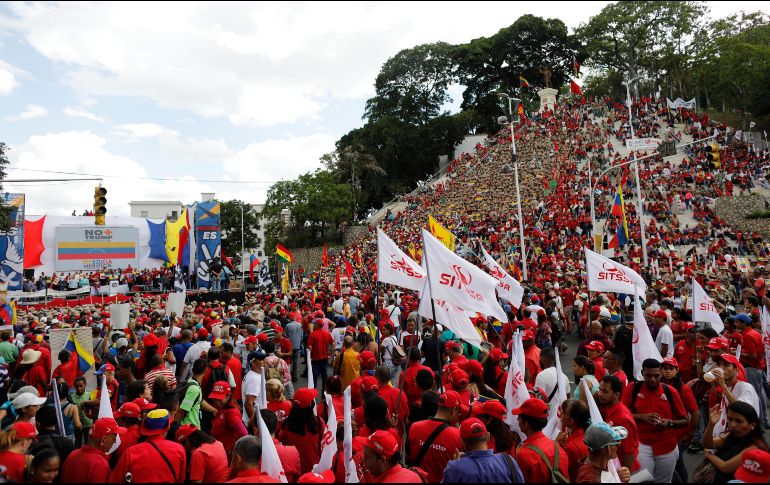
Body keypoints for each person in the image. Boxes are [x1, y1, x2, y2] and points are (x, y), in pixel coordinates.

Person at [622, 358, 688, 483]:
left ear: (661, 374)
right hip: (642, 444)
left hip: (667, 446)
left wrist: (669, 423)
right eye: (648, 375)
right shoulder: (632, 389)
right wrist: (641, 417)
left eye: (656, 376)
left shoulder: (670, 392)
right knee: (641, 480)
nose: (652, 379)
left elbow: (685, 420)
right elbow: (623, 414)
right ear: (642, 373)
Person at [110, 408, 187, 483]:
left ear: (146, 427)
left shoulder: (130, 452)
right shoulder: (179, 449)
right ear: (168, 427)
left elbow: (115, 479)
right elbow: (181, 479)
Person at [701, 401, 769, 482]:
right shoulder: (732, 435)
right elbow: (708, 444)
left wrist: (709, 455)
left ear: (752, 425)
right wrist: (711, 424)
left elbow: (725, 467)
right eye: (730, 419)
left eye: (738, 421)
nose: (732, 424)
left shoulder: (754, 447)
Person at [442, 417, 524, 483]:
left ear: (462, 442)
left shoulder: (454, 468)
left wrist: (456, 465)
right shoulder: (508, 461)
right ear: (488, 437)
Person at [406, 391, 464, 483]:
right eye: (459, 412)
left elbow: (408, 456)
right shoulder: (458, 435)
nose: (459, 415)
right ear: (453, 411)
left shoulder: (414, 427)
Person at [512, 397, 570, 483]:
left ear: (526, 423)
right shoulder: (558, 448)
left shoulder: (524, 455)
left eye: (519, 418)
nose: (517, 420)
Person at [59, 418, 127, 483]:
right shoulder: (101, 465)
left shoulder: (72, 455)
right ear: (103, 440)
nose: (114, 441)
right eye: (114, 438)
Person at [278, 387, 328, 475]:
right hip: (314, 470)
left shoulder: (286, 425)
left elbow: (281, 440)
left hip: (294, 469)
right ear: (311, 405)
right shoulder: (319, 423)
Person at [596, 375, 640, 472]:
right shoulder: (608, 408)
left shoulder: (622, 418)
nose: (600, 394)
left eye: (605, 391)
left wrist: (626, 476)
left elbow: (629, 452)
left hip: (621, 470)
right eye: (600, 389)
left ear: (617, 394)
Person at [209, 380, 248, 455]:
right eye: (214, 398)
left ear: (228, 396)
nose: (216, 401)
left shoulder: (231, 413)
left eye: (219, 398)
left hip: (226, 455)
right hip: (219, 451)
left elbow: (244, 434)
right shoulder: (222, 408)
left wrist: (233, 450)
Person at [556, 399, 590, 481]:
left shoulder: (570, 448)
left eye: (563, 413)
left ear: (571, 421)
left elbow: (557, 469)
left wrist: (556, 444)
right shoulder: (589, 436)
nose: (560, 414)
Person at [307, 318, 334, 394]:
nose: (313, 325)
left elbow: (310, 347)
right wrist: (331, 355)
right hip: (324, 358)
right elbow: (333, 344)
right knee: (324, 376)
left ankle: (313, 393)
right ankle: (324, 393)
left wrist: (308, 359)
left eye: (314, 324)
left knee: (314, 376)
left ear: (316, 325)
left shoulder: (312, 334)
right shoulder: (327, 333)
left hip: (315, 359)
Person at [243, 350, 267, 423]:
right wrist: (256, 423)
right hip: (255, 421)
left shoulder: (253, 375)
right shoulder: (254, 379)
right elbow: (248, 404)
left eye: (263, 359)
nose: (264, 362)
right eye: (261, 360)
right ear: (253, 363)